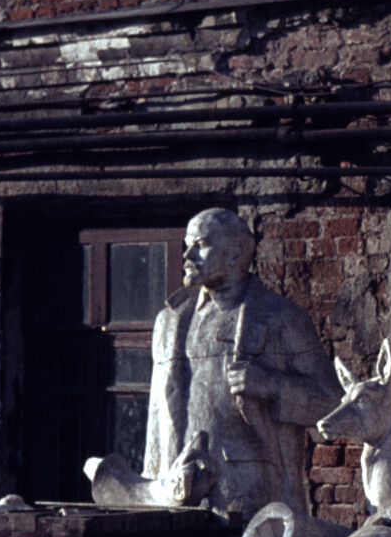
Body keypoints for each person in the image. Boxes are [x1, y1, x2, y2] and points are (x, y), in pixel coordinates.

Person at [145, 208, 341, 520]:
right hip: (177, 492)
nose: (187, 254)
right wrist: (153, 486)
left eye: (201, 244)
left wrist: (272, 386)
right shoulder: (170, 320)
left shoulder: (280, 317)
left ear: (236, 254)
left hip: (252, 493)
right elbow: (157, 420)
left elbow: (331, 402)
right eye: (187, 244)